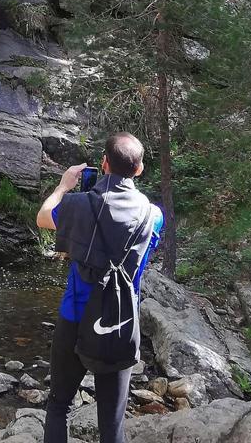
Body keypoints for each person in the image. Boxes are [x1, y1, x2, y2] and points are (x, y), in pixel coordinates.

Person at [36, 132, 164, 443]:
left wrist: (64, 186)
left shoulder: (78, 205)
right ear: (139, 169)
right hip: (120, 322)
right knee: (112, 423)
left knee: (58, 406)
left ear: (103, 163)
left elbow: (43, 217)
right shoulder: (153, 215)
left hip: (75, 318)